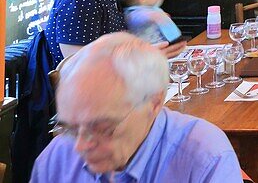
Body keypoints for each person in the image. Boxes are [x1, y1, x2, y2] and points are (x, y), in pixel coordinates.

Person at [32, 33, 240, 182]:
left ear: (155, 102)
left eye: (103, 128)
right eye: (70, 129)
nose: (79, 147)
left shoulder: (204, 157)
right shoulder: (55, 159)